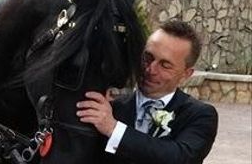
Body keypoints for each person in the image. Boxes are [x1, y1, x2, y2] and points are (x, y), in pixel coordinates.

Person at [77, 19, 218, 164]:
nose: (150, 69)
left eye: (165, 65)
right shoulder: (111, 108)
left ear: (186, 74)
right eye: (148, 58)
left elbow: (180, 158)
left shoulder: (199, 115)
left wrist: (114, 129)